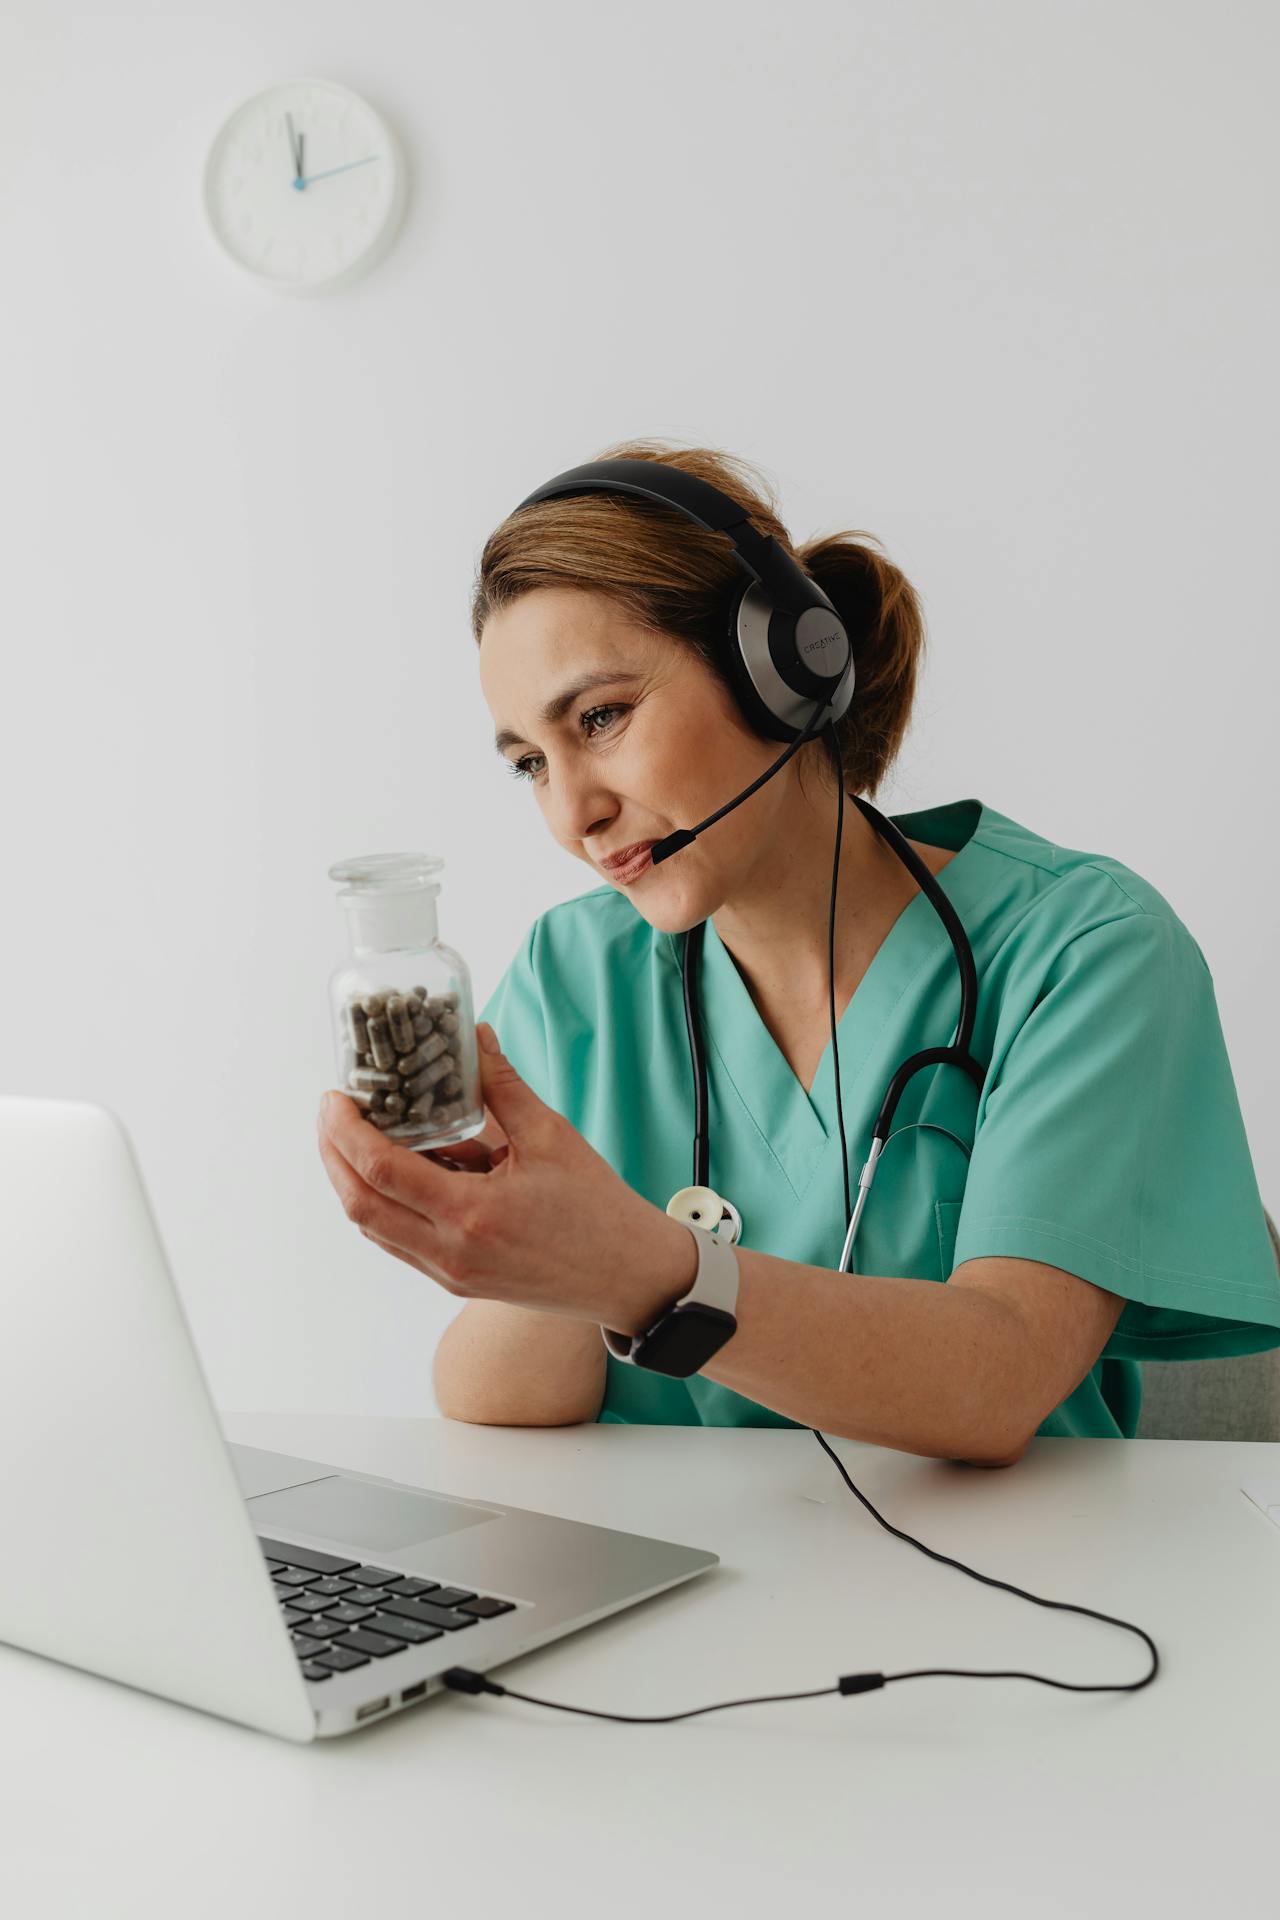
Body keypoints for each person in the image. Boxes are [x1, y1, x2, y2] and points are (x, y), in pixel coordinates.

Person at [316, 438, 1280, 1462]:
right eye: (528, 765)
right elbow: (497, 1397)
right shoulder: (576, 971)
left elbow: (999, 1379)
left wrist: (643, 1267)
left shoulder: (1084, 950)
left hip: (1007, 1585)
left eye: (599, 718)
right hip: (688, 1587)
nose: (574, 814)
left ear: (780, 666)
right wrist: (524, 1246)